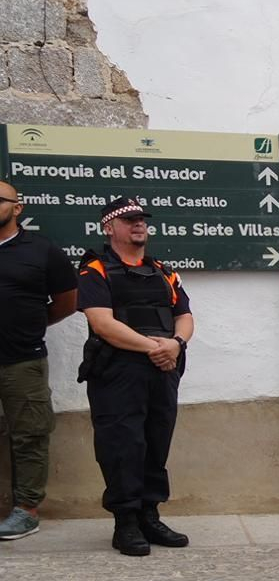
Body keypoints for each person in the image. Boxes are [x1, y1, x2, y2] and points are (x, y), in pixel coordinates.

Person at [77, 197, 195, 557]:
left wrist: (175, 344)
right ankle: (125, 522)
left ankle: (150, 515)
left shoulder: (162, 270)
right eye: (128, 219)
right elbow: (102, 323)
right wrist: (153, 348)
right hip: (117, 371)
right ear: (108, 227)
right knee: (121, 445)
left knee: (156, 442)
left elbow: (185, 316)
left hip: (163, 368)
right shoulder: (94, 269)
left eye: (141, 219)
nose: (138, 224)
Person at [0, 182, 76, 540]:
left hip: (22, 361)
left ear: (18, 208)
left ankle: (26, 510)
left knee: (29, 435)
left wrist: (30, 323)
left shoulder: (42, 250)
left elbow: (66, 301)